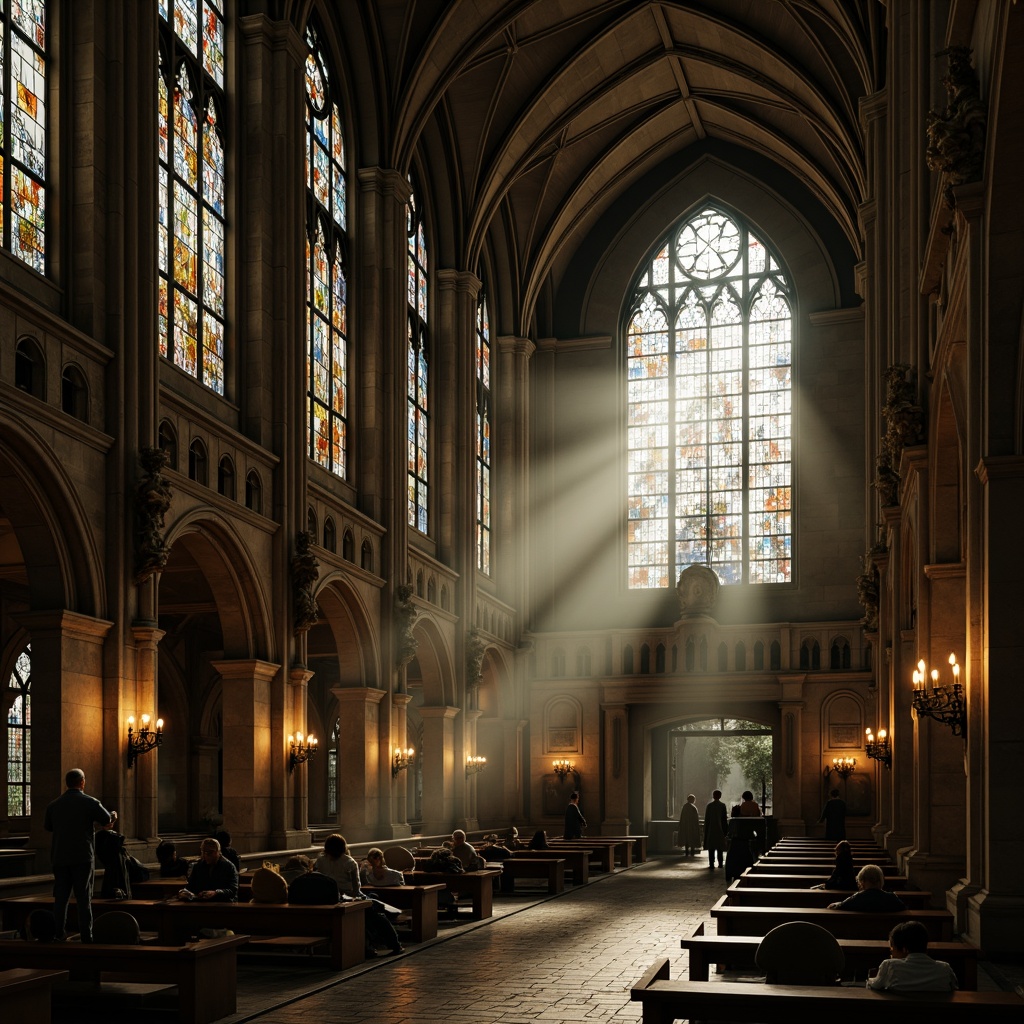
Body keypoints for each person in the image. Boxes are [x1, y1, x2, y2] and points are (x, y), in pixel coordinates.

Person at [44, 768, 114, 942]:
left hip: (59, 857)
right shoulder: (90, 802)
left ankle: (59, 933)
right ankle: (86, 936)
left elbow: (48, 827)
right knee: (83, 898)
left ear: (66, 783)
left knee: (60, 898)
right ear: (82, 782)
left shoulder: (54, 805)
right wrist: (113, 815)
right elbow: (106, 820)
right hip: (82, 857)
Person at [315, 833, 403, 956]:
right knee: (378, 915)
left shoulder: (320, 860)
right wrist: (365, 899)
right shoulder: (349, 862)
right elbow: (357, 889)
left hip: (329, 898)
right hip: (348, 898)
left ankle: (370, 945)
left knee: (372, 903)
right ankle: (395, 944)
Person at [867, 920, 958, 991]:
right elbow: (954, 989)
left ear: (904, 949)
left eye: (892, 948)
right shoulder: (944, 968)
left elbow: (874, 985)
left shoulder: (890, 966)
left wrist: (870, 979)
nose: (891, 953)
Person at [179, 837, 239, 902]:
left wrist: (216, 893)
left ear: (218, 852)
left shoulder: (229, 866)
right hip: (202, 902)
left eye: (209, 853)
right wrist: (184, 892)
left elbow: (233, 890)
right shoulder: (198, 866)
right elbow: (190, 886)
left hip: (224, 904)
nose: (205, 856)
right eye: (203, 852)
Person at [828, 864, 906, 911]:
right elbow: (904, 908)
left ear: (862, 881)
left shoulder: (857, 898)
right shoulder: (891, 898)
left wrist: (836, 904)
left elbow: (841, 906)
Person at [702, 790, 728, 869]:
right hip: (720, 829)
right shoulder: (723, 806)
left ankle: (711, 863)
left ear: (713, 796)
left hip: (711, 829)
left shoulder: (709, 806)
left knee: (711, 847)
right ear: (720, 796)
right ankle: (720, 863)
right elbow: (724, 819)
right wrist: (725, 830)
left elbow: (707, 819)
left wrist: (705, 829)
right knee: (719, 847)